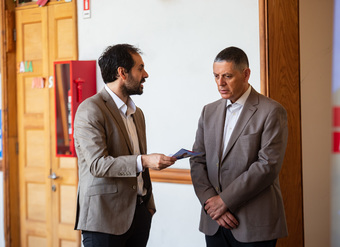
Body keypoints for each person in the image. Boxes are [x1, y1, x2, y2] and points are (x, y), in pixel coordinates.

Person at [74, 44, 177, 247]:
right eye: (140, 68)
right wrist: (145, 160)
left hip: (139, 216)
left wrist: (149, 206)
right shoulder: (90, 110)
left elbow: (138, 163)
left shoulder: (137, 114)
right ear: (122, 72)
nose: (145, 74)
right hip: (104, 221)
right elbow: (98, 165)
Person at [190, 46, 288, 247]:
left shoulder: (272, 111)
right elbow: (197, 159)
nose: (220, 83)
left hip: (255, 225)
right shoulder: (208, 111)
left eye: (227, 76)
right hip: (214, 222)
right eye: (216, 76)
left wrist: (224, 201)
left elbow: (267, 166)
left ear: (246, 74)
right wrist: (212, 205)